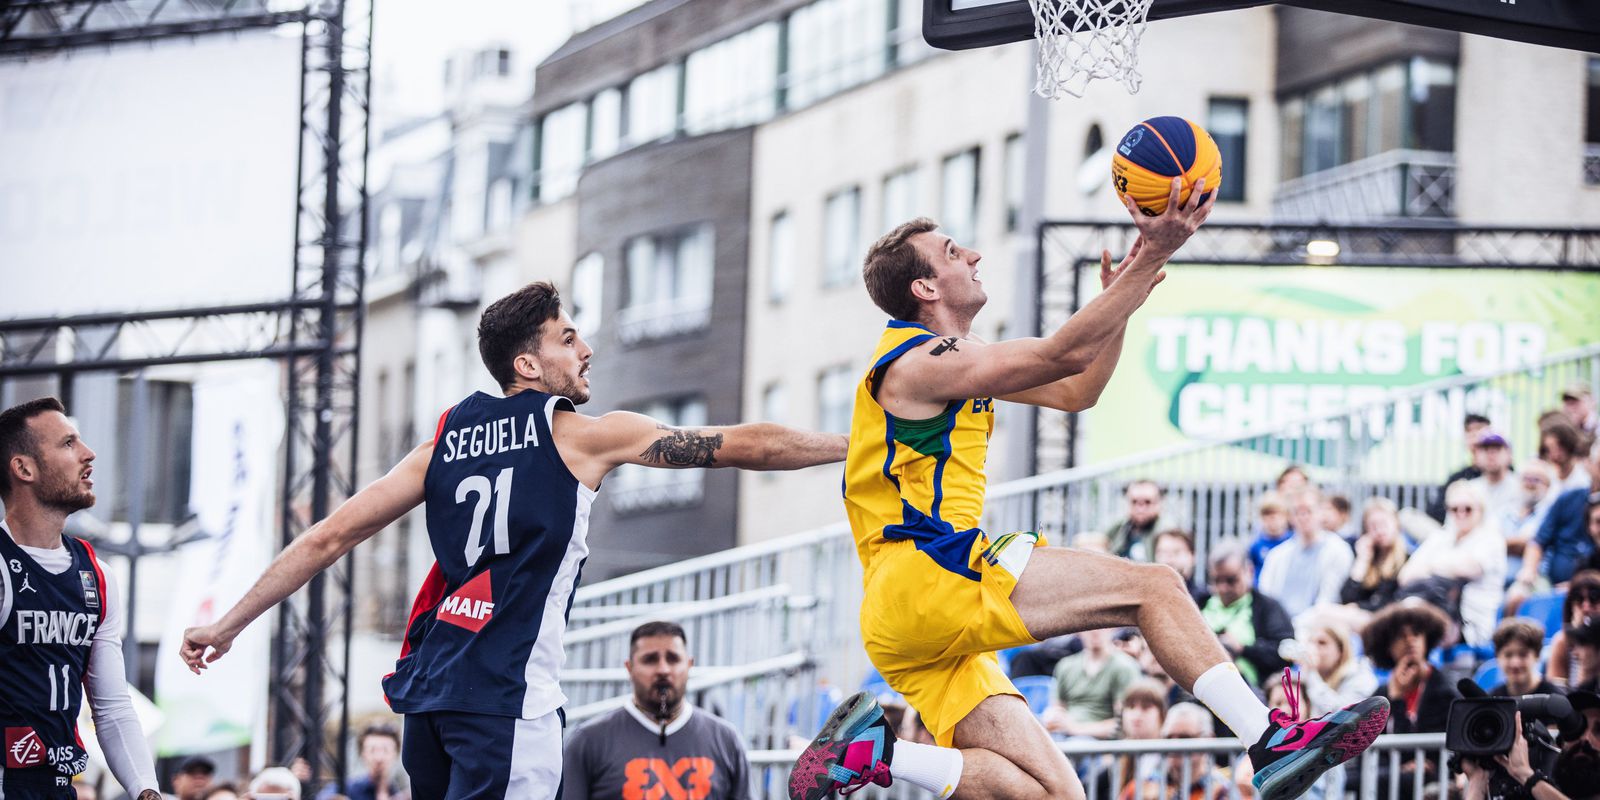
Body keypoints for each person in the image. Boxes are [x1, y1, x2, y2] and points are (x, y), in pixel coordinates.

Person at [791, 189, 1388, 800]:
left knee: (1058, 796)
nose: (971, 254)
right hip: (929, 575)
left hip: (905, 616)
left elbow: (1078, 388)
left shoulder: (950, 363)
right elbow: (1064, 351)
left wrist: (1121, 300)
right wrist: (1153, 254)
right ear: (925, 288)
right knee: (1153, 588)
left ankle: (875, 751)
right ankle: (1270, 742)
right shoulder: (922, 360)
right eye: (950, 251)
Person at [178, 283, 846, 798]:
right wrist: (858, 445)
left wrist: (229, 623)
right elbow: (745, 444)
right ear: (528, 362)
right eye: (568, 337)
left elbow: (327, 537)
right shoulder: (577, 436)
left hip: (432, 701)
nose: (585, 350)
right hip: (506, 698)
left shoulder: (445, 439)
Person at [0, 398, 162, 800]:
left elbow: (111, 708)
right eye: (69, 443)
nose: (89, 454)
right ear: (24, 468)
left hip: (58, 786)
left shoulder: (97, 574)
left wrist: (147, 789)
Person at [563, 621, 749, 800]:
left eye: (673, 658)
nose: (663, 669)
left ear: (689, 665)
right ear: (630, 668)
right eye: (650, 659)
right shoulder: (589, 741)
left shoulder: (725, 739)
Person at [1397, 480, 1507, 648]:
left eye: (1467, 509)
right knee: (1410, 607)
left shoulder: (1491, 539)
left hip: (1470, 622)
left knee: (1415, 612)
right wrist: (1445, 568)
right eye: (1454, 509)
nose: (1460, 513)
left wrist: (1429, 567)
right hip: (1428, 607)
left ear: (1480, 510)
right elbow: (1405, 576)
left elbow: (1470, 568)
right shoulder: (1440, 538)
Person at [1364, 602, 1457, 800]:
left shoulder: (1444, 688)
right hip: (1392, 773)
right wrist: (1396, 697)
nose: (1410, 640)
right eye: (1400, 636)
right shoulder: (1381, 693)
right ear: (1387, 647)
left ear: (1427, 639)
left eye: (1416, 633)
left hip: (1437, 773)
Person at [1511, 445, 1600, 605]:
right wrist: (1529, 570)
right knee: (1517, 596)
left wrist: (1577, 587)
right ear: (1590, 464)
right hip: (1551, 581)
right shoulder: (1569, 499)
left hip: (1591, 588)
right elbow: (1538, 541)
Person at [1197, 543, 1293, 688]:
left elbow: (1285, 654)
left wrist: (1242, 649)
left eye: (1231, 580)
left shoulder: (1267, 607)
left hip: (1253, 690)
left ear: (1249, 571)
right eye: (1217, 580)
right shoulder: (1200, 602)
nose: (1223, 588)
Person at [1257, 488, 1354, 621]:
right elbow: (1266, 597)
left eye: (1308, 511)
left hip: (1318, 628)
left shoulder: (1339, 550)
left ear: (1321, 512)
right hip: (1278, 628)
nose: (1303, 517)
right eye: (1297, 512)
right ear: (1290, 517)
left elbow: (1327, 601)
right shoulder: (1276, 555)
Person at [1118, 703, 1243, 800]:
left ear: (1208, 739)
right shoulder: (1140, 787)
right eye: (1169, 737)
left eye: (1184, 737)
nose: (1175, 745)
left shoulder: (1222, 790)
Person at [1040, 627, 1141, 739]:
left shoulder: (1124, 667)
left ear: (1112, 628)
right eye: (1089, 627)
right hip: (1064, 736)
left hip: (1100, 744)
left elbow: (1123, 724)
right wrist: (1053, 718)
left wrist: (1075, 729)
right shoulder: (1065, 666)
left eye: (1101, 626)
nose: (1095, 632)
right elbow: (1057, 708)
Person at [1427, 413, 1492, 523]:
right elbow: (1436, 511)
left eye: (1480, 430)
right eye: (1470, 431)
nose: (1475, 435)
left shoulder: (1503, 473)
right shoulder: (1457, 477)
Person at [314, 724, 406, 800]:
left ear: (397, 753)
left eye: (385, 750)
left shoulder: (401, 794)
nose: (379, 758)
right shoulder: (347, 789)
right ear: (362, 753)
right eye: (372, 750)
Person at [1549, 571, 1600, 690]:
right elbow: (1557, 696)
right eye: (1579, 599)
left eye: (1594, 598)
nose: (1586, 607)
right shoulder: (1562, 642)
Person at [1489, 617, 1561, 697]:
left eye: (1523, 655)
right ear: (1497, 657)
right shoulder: (1493, 699)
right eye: (1508, 655)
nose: (1515, 663)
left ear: (1537, 655)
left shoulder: (1553, 698)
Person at [1468, 431, 1521, 536]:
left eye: (1497, 449)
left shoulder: (1522, 487)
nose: (1491, 454)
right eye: (1485, 449)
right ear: (1476, 456)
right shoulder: (1469, 490)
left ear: (1509, 454)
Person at [1103, 480, 1172, 561]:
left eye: (1147, 502)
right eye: (1134, 502)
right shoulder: (1118, 529)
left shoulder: (1166, 532)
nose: (1140, 509)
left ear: (1159, 504)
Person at [1151, 528, 1206, 604]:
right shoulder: (1148, 597)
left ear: (1193, 556)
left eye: (1176, 552)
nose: (1168, 559)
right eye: (1162, 552)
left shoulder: (1205, 599)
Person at [1246, 492, 1292, 580]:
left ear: (1286, 516)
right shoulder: (1256, 546)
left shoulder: (1293, 541)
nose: (1271, 521)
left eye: (1275, 516)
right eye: (1266, 516)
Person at [1542, 420, 1592, 494]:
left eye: (1558, 449)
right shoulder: (1547, 474)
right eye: (1549, 449)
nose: (1554, 455)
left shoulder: (1583, 477)